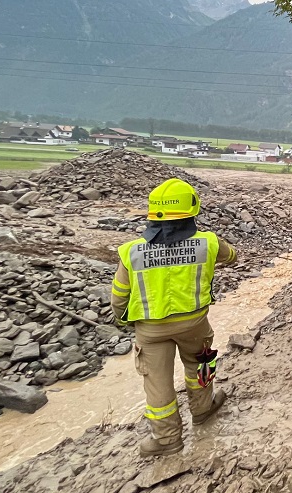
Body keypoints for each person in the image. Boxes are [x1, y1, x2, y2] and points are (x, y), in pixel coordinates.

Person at [110, 178, 237, 457]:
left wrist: (126, 322)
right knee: (200, 365)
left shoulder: (131, 252)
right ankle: (203, 409)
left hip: (150, 330)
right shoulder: (209, 243)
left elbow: (119, 298)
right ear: (191, 211)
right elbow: (232, 257)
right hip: (195, 324)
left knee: (157, 383)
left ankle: (167, 439)